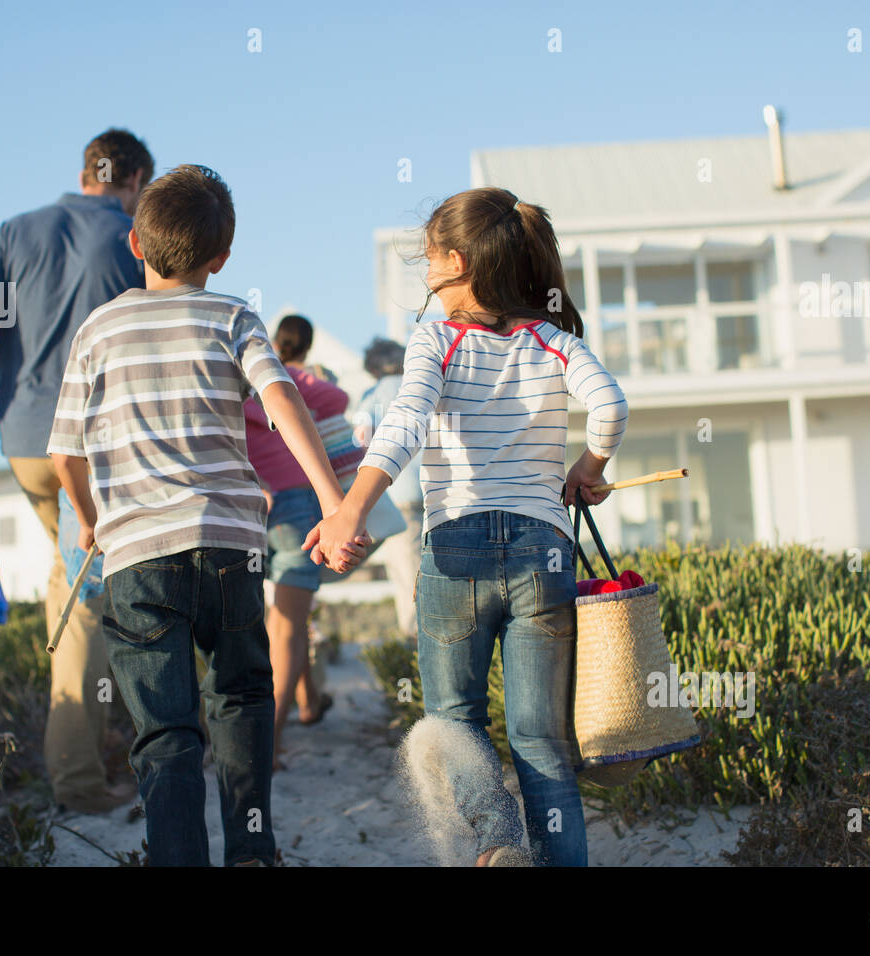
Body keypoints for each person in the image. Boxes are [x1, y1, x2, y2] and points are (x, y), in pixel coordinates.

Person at [48, 165, 365, 867]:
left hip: (137, 559)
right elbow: (283, 405)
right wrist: (334, 500)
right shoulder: (233, 317)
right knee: (244, 699)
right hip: (230, 547)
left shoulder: (99, 329)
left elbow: (65, 454)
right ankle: (251, 848)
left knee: (164, 733)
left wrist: (91, 517)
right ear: (221, 258)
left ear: (135, 243)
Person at [305, 187, 628, 867]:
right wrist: (589, 467)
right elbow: (611, 405)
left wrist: (348, 510)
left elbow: (405, 424)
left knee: (456, 722)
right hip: (543, 550)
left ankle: (498, 840)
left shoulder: (438, 337)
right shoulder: (553, 338)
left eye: (427, 260)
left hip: (455, 548)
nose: (424, 274)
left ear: (456, 261)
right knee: (541, 743)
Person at [0, 128, 154, 814]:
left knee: (75, 581)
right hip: (101, 444)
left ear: (87, 172)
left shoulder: (16, 231)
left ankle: (94, 759)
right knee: (92, 599)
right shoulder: (134, 237)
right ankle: (82, 783)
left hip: (25, 442)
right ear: (135, 178)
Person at [244, 314, 348, 768]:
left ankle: (293, 706)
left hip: (242, 501)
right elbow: (339, 398)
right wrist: (309, 378)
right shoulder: (291, 378)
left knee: (263, 621)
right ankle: (268, 742)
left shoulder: (238, 373)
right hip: (295, 500)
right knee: (289, 622)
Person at [352, 337, 423, 636]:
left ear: (372, 367)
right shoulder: (420, 386)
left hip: (398, 495)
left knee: (407, 576)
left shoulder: (375, 393)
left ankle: (416, 647)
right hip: (435, 492)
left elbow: (360, 437)